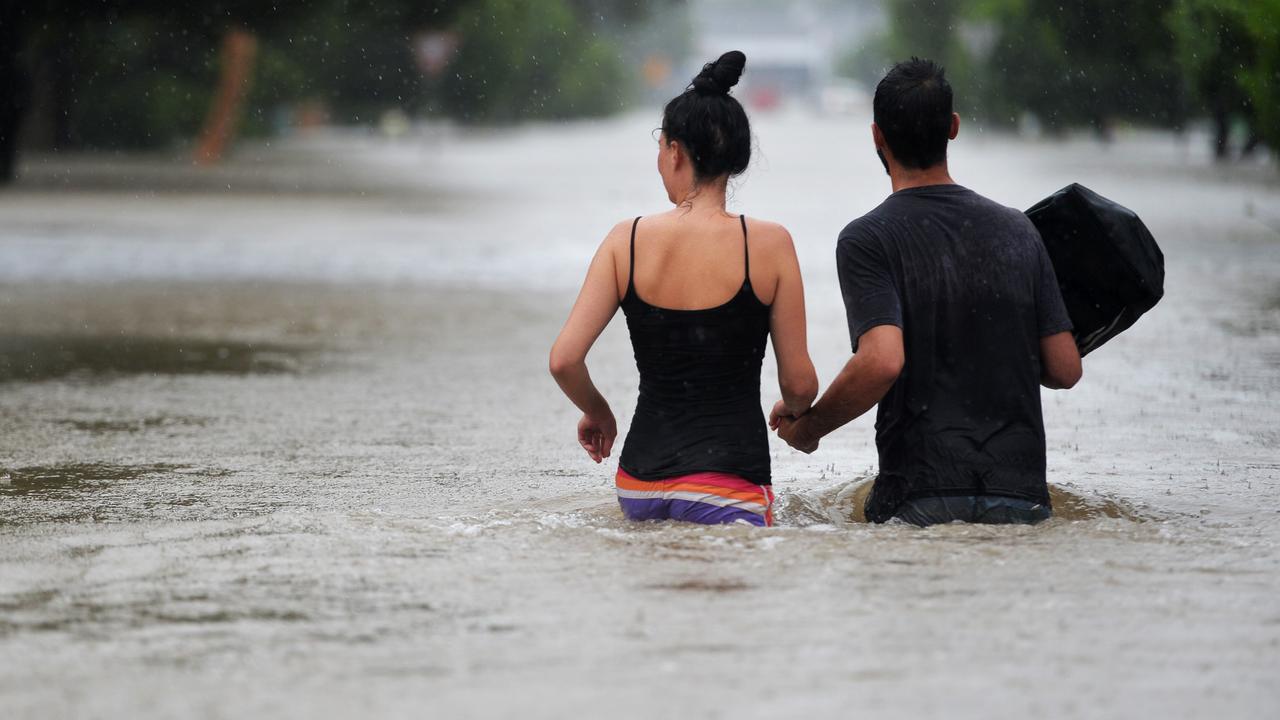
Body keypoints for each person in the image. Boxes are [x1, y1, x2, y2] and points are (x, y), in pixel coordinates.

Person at [772, 58, 1082, 527]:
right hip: (1022, 495)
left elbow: (881, 360)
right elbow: (1064, 368)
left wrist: (811, 427)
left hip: (919, 493)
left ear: (877, 136)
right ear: (953, 128)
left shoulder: (868, 239)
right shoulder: (1018, 231)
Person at [549, 51, 818, 527]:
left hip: (639, 484)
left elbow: (564, 360)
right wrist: (793, 409)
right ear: (736, 157)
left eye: (660, 147)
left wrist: (599, 413)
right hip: (730, 486)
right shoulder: (770, 245)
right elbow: (798, 384)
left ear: (675, 151)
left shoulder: (625, 240)